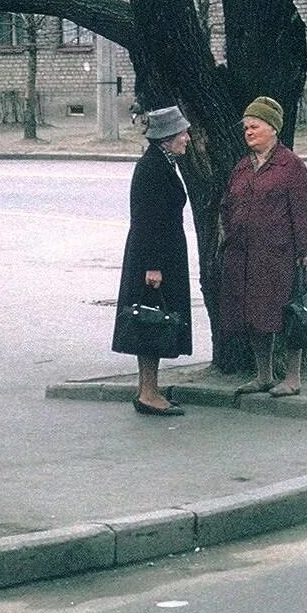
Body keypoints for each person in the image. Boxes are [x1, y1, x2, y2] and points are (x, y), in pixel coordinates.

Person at [220, 96, 307, 397]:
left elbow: (304, 210)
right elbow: (228, 203)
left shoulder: (291, 166)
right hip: (243, 255)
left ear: (273, 129)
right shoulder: (241, 167)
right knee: (253, 316)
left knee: (288, 314)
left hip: (279, 255)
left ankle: (293, 377)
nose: (248, 132)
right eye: (246, 127)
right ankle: (264, 375)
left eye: (255, 126)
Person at [112, 106, 195, 417]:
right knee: (151, 320)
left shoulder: (163, 163)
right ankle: (148, 393)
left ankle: (149, 389)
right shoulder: (152, 168)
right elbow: (145, 219)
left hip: (161, 254)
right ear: (167, 138)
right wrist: (153, 266)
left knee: (154, 320)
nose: (187, 137)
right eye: (182, 133)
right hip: (154, 257)